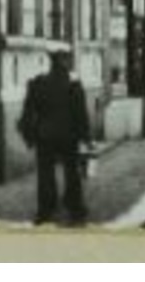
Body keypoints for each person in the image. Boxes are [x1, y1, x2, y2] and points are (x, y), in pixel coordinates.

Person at [19, 50, 91, 225]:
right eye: (67, 61)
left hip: (45, 136)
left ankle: (45, 210)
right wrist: (86, 138)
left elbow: (28, 113)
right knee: (71, 172)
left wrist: (30, 136)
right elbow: (81, 115)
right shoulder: (74, 85)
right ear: (65, 65)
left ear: (51, 64)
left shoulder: (37, 84)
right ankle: (75, 209)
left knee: (45, 174)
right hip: (69, 136)